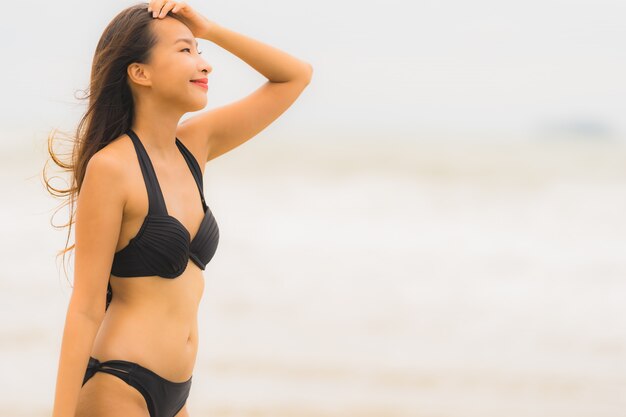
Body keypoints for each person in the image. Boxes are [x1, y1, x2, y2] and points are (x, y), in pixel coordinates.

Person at [47, 2, 312, 416]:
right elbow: (84, 307)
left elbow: (294, 77)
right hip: (120, 387)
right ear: (140, 73)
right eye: (185, 51)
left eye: (200, 51)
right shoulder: (112, 168)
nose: (204, 64)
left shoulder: (195, 145)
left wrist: (210, 29)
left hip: (177, 396)